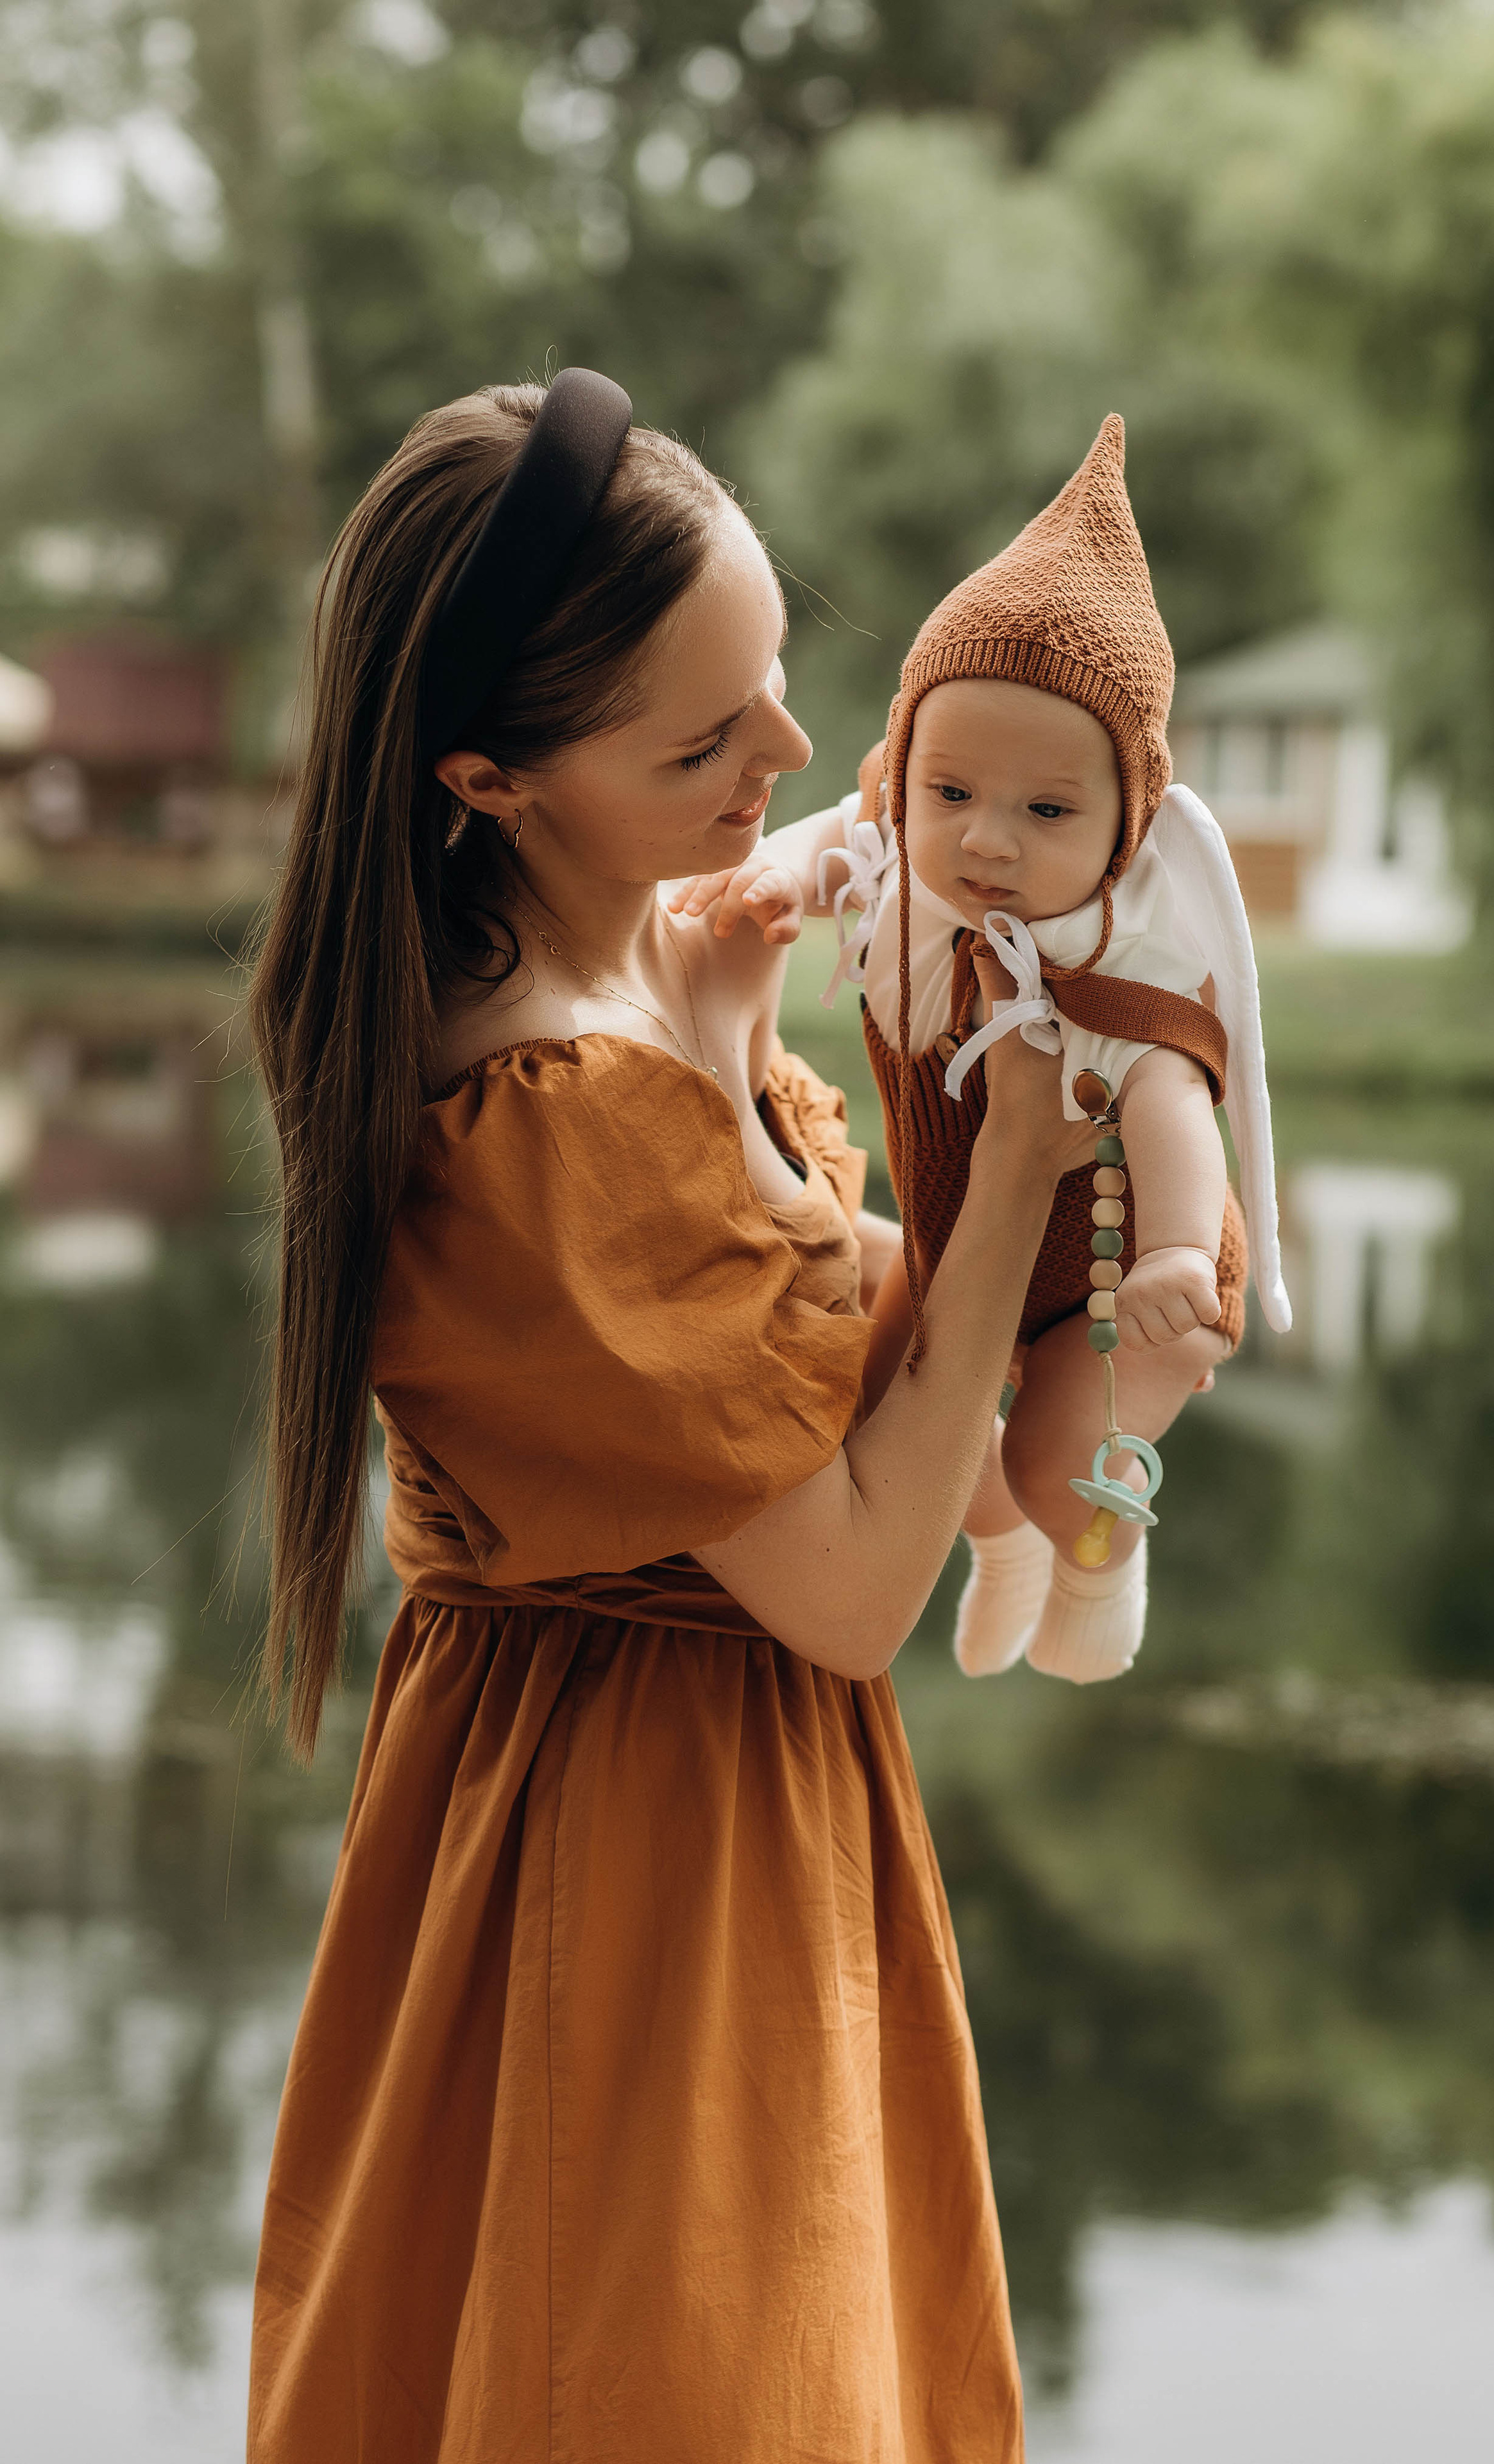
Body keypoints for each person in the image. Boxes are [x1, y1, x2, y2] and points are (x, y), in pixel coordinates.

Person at [244, 367, 1087, 2462]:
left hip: (696, 1817)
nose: (791, 764)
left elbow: (776, 1372)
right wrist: (1013, 1200)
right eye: (701, 743)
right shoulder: (534, 1115)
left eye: (781, 684)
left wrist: (728, 1040)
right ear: (487, 783)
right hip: (645, 1874)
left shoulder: (622, 1004)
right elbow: (849, 1583)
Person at [672, 416, 1289, 1691]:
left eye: (1046, 811)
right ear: (907, 764)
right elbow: (835, 835)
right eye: (948, 791)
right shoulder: (904, 851)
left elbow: (1174, 1107)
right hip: (972, 1243)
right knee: (878, 1403)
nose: (986, 842)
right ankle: (1001, 1546)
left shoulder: (1113, 967)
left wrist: (1177, 1248)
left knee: (1051, 1452)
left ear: (1127, 828)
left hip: (1123, 1279)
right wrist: (774, 882)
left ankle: (1091, 1557)